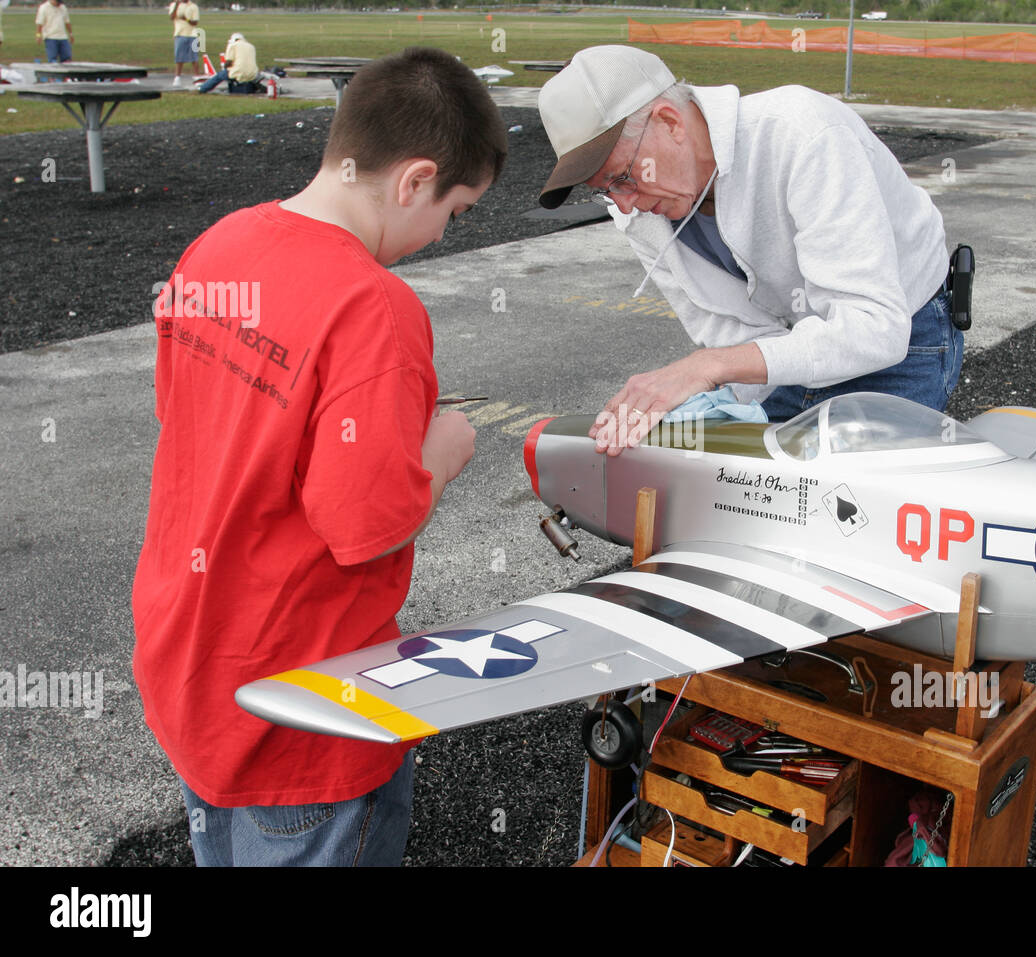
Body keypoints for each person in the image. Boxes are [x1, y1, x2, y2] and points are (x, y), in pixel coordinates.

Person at [132, 47, 507, 866]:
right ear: (414, 180)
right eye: (458, 209)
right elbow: (364, 526)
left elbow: (192, 420)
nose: (445, 233)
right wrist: (439, 454)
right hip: (305, 717)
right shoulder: (375, 310)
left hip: (194, 671)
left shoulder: (219, 244)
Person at [537, 45, 961, 455]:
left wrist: (703, 368)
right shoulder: (637, 211)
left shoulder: (803, 133)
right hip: (795, 340)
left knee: (854, 512)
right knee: (755, 497)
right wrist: (694, 405)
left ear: (670, 122)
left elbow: (874, 329)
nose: (625, 204)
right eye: (605, 192)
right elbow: (735, 338)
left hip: (904, 334)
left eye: (624, 177)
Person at [167, 0, 201, 88]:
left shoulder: (193, 6)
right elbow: (172, 17)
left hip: (193, 35)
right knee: (179, 58)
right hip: (180, 34)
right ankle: (177, 78)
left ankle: (197, 78)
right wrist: (177, 6)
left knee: (194, 58)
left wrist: (186, 19)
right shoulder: (174, 5)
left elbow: (195, 22)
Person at [34, 0, 72, 65]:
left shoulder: (63, 7)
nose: (59, 4)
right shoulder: (44, 7)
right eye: (58, 2)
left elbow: (67, 22)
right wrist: (38, 35)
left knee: (67, 59)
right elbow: (39, 23)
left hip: (63, 37)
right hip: (50, 37)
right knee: (53, 60)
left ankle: (66, 75)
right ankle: (53, 74)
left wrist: (71, 34)